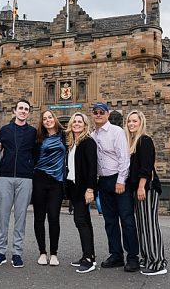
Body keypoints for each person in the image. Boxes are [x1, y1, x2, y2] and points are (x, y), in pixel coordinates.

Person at [89, 102, 137, 272]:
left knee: (127, 219)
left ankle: (132, 257)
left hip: (118, 180)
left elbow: (124, 157)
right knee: (110, 221)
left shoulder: (116, 132)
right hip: (103, 181)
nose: (98, 114)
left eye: (102, 112)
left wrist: (121, 180)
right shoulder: (92, 135)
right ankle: (116, 255)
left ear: (108, 114)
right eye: (95, 112)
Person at [0, 100, 37, 268]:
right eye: (21, 108)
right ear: (15, 110)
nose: (23, 111)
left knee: (21, 217)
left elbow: (36, 153)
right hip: (5, 177)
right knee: (3, 216)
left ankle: (17, 253)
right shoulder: (4, 130)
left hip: (25, 178)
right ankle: (0, 252)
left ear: (28, 112)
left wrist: (30, 168)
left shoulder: (33, 132)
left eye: (26, 109)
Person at [126, 110, 167, 275]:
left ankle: (158, 263)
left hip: (147, 189)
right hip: (138, 189)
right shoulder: (133, 142)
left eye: (134, 121)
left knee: (150, 226)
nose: (131, 124)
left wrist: (142, 186)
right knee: (142, 226)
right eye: (129, 121)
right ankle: (147, 258)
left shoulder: (145, 140)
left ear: (141, 122)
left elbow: (147, 166)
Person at [32, 110, 66, 266]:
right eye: (44, 119)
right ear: (42, 122)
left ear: (55, 118)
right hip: (39, 179)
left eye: (50, 117)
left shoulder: (65, 135)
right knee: (39, 217)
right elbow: (32, 157)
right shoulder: (38, 138)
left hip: (56, 181)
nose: (47, 120)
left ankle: (54, 253)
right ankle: (42, 252)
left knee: (53, 217)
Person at [65, 112, 98, 273]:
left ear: (85, 125)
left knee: (82, 221)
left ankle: (89, 259)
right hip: (74, 187)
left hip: (83, 188)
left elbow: (93, 168)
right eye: (74, 121)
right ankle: (88, 254)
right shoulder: (72, 143)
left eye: (80, 122)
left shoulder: (88, 142)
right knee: (82, 221)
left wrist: (90, 189)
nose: (77, 124)